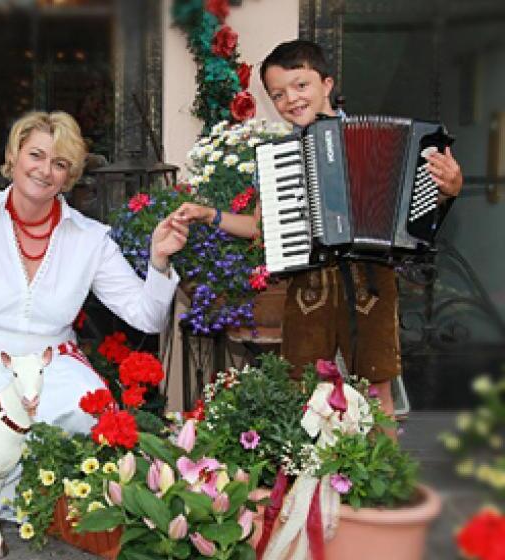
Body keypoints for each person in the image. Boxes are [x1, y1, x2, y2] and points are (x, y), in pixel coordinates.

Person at [0, 110, 189, 520]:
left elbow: (146, 317)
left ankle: (45, 499)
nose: (45, 171)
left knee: (84, 414)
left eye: (59, 164)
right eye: (36, 156)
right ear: (14, 157)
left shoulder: (90, 239)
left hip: (51, 367)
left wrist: (159, 260)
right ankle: (53, 500)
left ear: (70, 176)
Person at [176, 39, 463, 418]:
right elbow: (260, 228)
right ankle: (314, 476)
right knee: (304, 393)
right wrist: (208, 214)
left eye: (300, 85)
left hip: (371, 282)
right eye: (278, 94)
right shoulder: (279, 158)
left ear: (326, 84)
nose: (290, 99)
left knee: (376, 392)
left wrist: (449, 188)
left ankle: (384, 476)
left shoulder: (386, 139)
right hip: (308, 286)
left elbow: (417, 206)